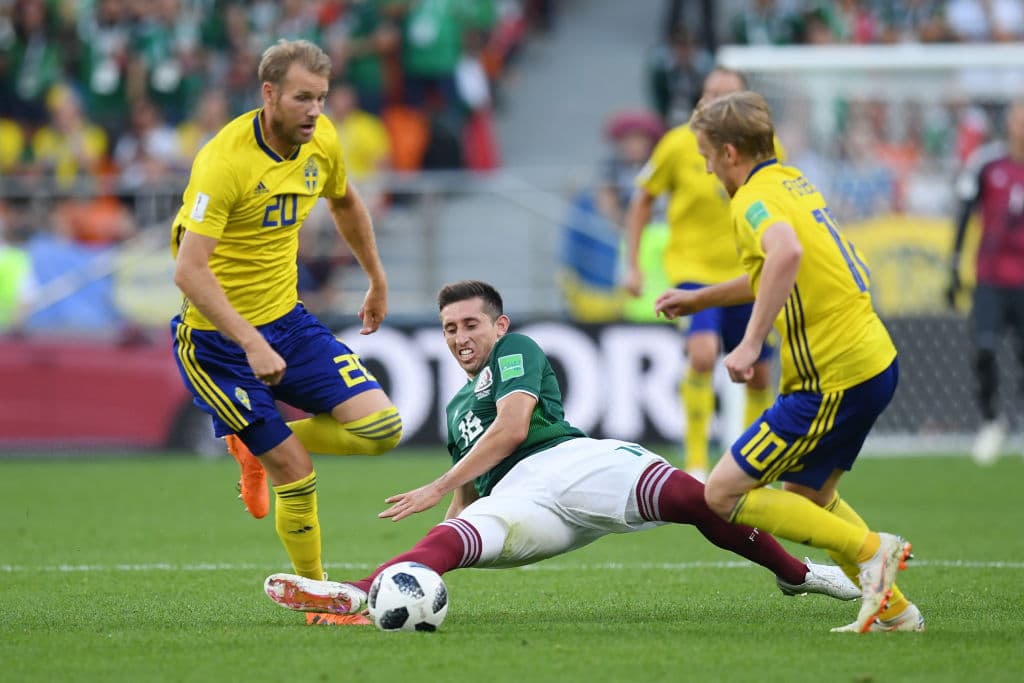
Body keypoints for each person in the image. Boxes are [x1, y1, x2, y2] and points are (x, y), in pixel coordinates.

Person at [261, 280, 861, 625]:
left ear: (499, 326)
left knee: (699, 499)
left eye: (471, 324)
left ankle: (799, 575)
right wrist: (448, 522)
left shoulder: (516, 348)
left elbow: (514, 428)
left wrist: (436, 486)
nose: (460, 337)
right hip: (523, 503)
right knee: (458, 538)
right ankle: (362, 594)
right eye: (449, 329)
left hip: (574, 463)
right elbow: (472, 488)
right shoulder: (454, 412)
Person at [654, 91, 922, 633]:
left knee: (722, 494)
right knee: (808, 496)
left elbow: (786, 254)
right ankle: (896, 613)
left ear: (730, 152)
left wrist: (751, 343)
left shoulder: (751, 200)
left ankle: (874, 550)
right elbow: (776, 266)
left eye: (706, 155)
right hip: (870, 361)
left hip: (830, 377)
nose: (704, 167)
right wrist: (701, 298)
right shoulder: (790, 180)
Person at [169, 39, 403, 623]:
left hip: (289, 322)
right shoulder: (223, 161)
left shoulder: (320, 140)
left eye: (321, 98)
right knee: (296, 472)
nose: (315, 110)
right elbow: (188, 270)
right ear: (269, 93)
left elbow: (346, 201)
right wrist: (249, 341)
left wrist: (375, 277)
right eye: (303, 97)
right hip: (216, 344)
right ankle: (318, 598)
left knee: (382, 428)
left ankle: (255, 441)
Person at [624, 68, 777, 482]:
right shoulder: (676, 144)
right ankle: (694, 462)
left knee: (758, 373)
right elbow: (642, 202)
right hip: (693, 272)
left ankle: (749, 461)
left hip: (747, 274)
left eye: (725, 95)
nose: (714, 102)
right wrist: (633, 264)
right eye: (710, 94)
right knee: (704, 353)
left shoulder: (765, 146)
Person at [947, 100, 1024, 465]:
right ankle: (991, 422)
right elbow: (964, 213)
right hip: (992, 278)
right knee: (985, 348)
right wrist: (953, 265)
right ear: (1008, 123)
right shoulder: (988, 163)